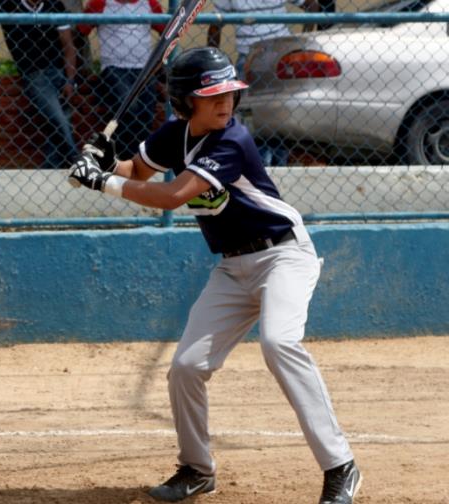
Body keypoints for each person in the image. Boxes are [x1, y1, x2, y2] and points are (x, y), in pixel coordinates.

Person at [68, 47, 362, 504]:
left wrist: (100, 182)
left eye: (229, 92)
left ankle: (341, 465)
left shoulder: (233, 141)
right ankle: (197, 469)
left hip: (283, 255)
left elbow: (171, 196)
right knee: (186, 367)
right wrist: (105, 162)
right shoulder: (175, 135)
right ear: (186, 102)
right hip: (232, 267)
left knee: (279, 343)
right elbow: (137, 171)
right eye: (212, 95)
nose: (225, 102)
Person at [0, 0, 80, 169]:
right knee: (59, 121)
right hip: (35, 74)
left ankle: (49, 173)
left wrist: (70, 80)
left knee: (56, 130)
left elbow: (68, 46)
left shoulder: (54, 5)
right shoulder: (7, 5)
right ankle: (77, 163)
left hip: (60, 72)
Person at [207, 0, 319, 166]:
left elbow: (215, 25)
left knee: (264, 116)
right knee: (267, 115)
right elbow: (216, 22)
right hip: (259, 56)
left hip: (274, 54)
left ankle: (266, 168)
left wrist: (302, 45)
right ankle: (266, 168)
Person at [77, 0, 166, 159]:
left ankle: (138, 157)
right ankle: (126, 158)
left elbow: (167, 31)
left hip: (143, 69)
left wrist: (160, 62)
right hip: (114, 67)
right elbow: (80, 31)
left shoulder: (149, 3)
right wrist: (81, 68)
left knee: (146, 112)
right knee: (129, 109)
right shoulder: (100, 3)